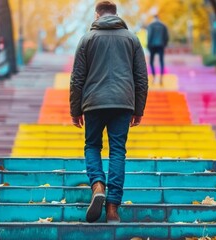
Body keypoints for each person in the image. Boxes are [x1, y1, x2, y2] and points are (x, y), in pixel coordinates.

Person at [69, 1, 148, 224]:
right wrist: (138, 109)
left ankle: (97, 185)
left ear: (97, 15)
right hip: (123, 103)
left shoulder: (87, 39)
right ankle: (113, 209)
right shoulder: (132, 39)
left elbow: (77, 79)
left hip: (93, 103)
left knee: (92, 146)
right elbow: (141, 78)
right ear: (115, 14)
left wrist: (75, 110)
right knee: (117, 152)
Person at [147, 15, 169, 84]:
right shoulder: (163, 26)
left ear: (154, 18)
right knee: (161, 62)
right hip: (161, 45)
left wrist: (148, 45)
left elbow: (149, 36)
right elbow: (166, 37)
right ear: (159, 18)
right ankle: (161, 79)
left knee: (151, 62)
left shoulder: (151, 25)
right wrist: (164, 44)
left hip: (152, 46)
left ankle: (154, 77)